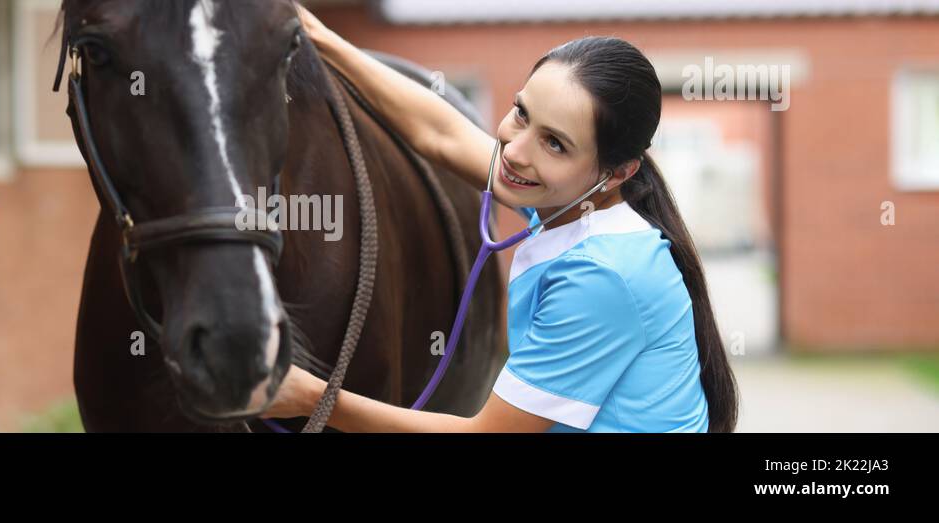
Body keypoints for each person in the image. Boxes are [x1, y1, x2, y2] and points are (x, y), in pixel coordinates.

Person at [261, 6, 739, 433]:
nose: (513, 151)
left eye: (554, 142)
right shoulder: (572, 201)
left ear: (617, 173)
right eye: (521, 113)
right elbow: (438, 133)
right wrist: (317, 35)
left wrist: (310, 397)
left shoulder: (604, 274)